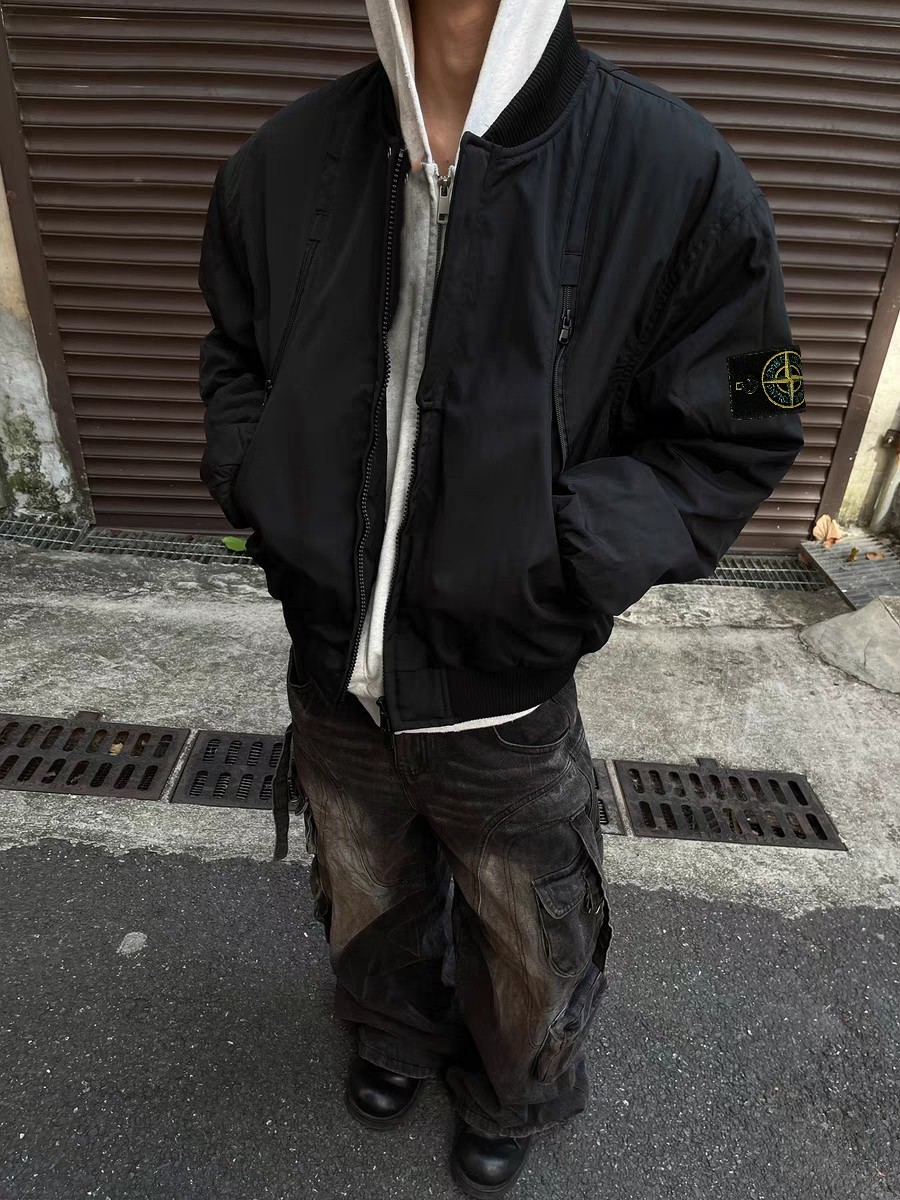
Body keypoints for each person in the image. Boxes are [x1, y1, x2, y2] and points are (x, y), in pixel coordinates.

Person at [197, 1, 806, 1193]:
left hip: (505, 692)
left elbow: (755, 408)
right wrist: (261, 486)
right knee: (363, 878)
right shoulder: (283, 159)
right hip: (332, 664)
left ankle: (513, 1085)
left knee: (526, 919)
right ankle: (391, 1031)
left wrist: (559, 555)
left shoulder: (678, 175)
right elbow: (235, 356)